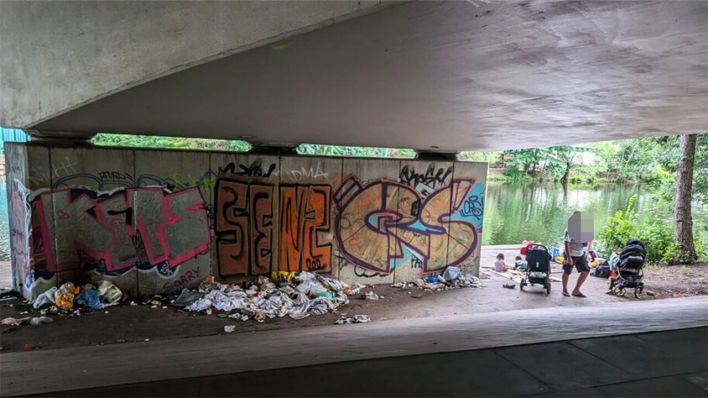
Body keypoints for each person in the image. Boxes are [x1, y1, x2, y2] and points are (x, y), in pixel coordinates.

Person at [562, 229, 591, 297]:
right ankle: (564, 290)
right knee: (567, 271)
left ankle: (576, 290)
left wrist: (585, 241)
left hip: (580, 253)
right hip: (570, 253)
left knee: (586, 270)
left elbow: (585, 244)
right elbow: (566, 243)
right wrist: (569, 258)